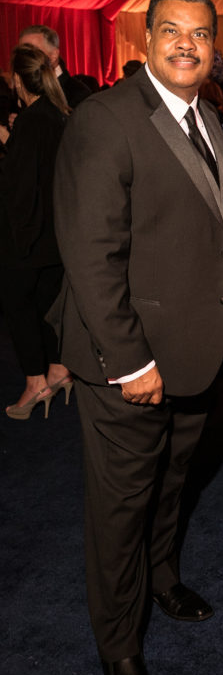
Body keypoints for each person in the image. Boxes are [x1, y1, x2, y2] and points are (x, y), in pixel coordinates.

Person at [50, 0, 223, 675]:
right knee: (121, 505)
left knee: (172, 483)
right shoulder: (106, 119)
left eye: (200, 34)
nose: (187, 45)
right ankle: (119, 647)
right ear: (146, 41)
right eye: (172, 31)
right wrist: (130, 361)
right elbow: (91, 255)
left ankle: (163, 577)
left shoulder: (209, 116)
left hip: (198, 355)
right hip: (129, 363)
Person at [1, 44, 71, 418]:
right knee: (47, 306)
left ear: (17, 80)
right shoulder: (57, 113)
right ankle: (59, 371)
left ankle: (35, 382)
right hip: (55, 235)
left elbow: (20, 185)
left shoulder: (32, 120)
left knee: (19, 307)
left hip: (27, 237)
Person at [19, 25, 91, 109]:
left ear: (53, 55)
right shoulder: (19, 90)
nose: (25, 58)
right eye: (21, 53)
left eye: (33, 52)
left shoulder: (78, 93)